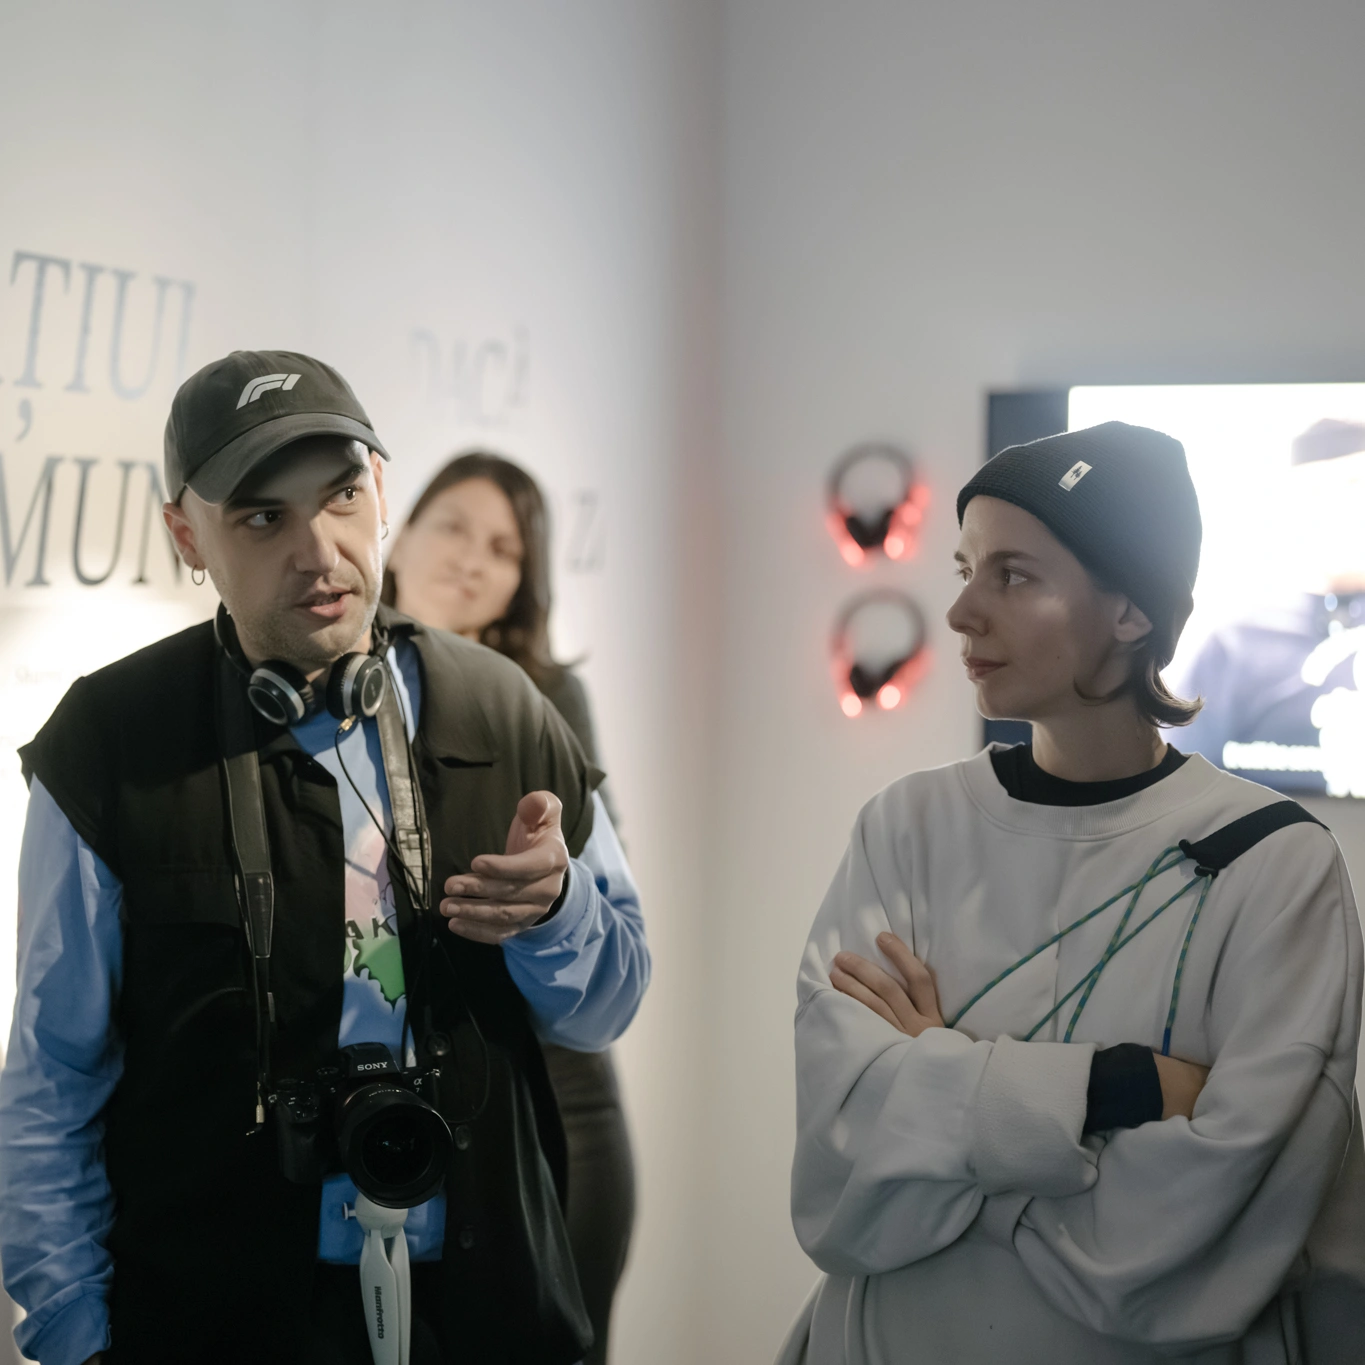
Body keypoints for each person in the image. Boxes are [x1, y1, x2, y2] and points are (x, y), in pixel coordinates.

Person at [0, 350, 650, 1365]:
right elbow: (51, 1081)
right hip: (214, 1325)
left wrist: (558, 913)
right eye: (264, 518)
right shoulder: (110, 743)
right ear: (187, 535)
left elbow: (607, 1003)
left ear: (381, 491)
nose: (319, 551)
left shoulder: (505, 710)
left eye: (342, 497)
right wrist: (77, 1337)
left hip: (485, 1317)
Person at [779, 422, 1365, 1365]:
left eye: (1013, 575)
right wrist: (1116, 1086)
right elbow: (840, 1168)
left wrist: (936, 1083)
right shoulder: (905, 826)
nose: (961, 612)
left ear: (1129, 610)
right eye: (964, 568)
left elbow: (1195, 1232)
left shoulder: (1276, 864)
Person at [382, 452, 633, 1365]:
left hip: (557, 1109)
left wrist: (549, 896)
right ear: (399, 533)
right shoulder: (327, 689)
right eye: (453, 525)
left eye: (502, 548)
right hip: (414, 1120)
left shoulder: (538, 700)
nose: (470, 558)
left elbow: (608, 911)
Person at [1178, 417, 1365, 796]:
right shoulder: (1235, 645)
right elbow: (1179, 791)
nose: (1337, 507)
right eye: (1316, 491)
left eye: (1353, 485)